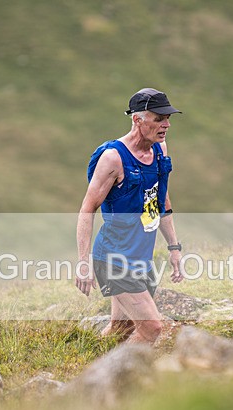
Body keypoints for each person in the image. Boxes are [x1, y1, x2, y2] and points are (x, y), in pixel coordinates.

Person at [76, 88, 184, 344]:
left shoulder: (160, 149)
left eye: (168, 118)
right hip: (114, 258)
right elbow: (87, 209)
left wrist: (174, 247)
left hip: (141, 257)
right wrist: (83, 262)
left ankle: (93, 358)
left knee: (120, 329)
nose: (166, 125)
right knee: (152, 328)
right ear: (138, 120)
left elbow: (161, 199)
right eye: (158, 119)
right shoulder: (113, 158)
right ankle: (117, 378)